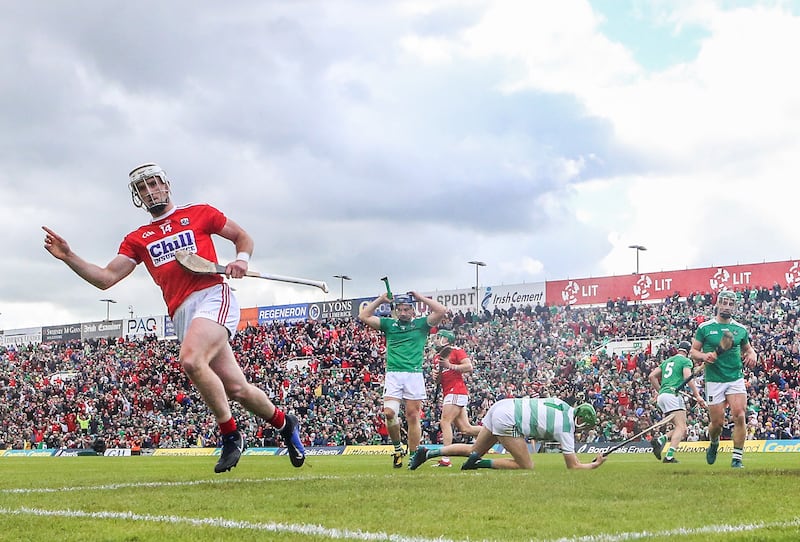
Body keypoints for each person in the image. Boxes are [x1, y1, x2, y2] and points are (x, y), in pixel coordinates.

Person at [42, 163, 305, 473]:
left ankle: (231, 435)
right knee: (237, 389)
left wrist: (241, 260)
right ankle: (286, 424)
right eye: (143, 188)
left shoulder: (199, 213)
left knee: (192, 361)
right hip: (181, 313)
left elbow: (241, 237)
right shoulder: (138, 238)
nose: (150, 191)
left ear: (166, 185)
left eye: (154, 183)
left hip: (212, 296)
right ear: (138, 197)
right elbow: (105, 278)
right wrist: (69, 257)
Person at [358, 291, 447, 468]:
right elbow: (364, 315)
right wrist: (382, 300)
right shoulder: (389, 324)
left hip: (413, 374)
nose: (403, 313)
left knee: (412, 416)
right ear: (396, 311)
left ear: (413, 311)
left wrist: (420, 298)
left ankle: (414, 455)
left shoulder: (421, 324)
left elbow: (442, 311)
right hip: (393, 374)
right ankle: (398, 448)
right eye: (400, 309)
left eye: (407, 309)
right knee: (389, 413)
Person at [408, 396, 606, 471]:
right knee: (526, 465)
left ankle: (427, 453)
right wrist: (594, 465)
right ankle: (479, 463)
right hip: (510, 419)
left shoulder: (563, 405)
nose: (583, 431)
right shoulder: (565, 427)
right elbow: (573, 466)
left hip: (503, 406)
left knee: (474, 449)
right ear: (580, 421)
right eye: (585, 427)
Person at [690, 290, 758, 468]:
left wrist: (753, 354)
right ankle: (714, 442)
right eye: (724, 303)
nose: (727, 306)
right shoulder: (705, 328)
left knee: (740, 415)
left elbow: (748, 349)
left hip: (735, 377)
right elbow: (693, 352)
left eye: (730, 303)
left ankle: (737, 458)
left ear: (734, 306)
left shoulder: (740, 329)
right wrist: (704, 356)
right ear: (718, 304)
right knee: (717, 423)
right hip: (714, 379)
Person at [648, 340, 707, 463]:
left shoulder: (667, 361)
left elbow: (652, 376)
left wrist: (661, 390)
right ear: (688, 351)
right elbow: (687, 377)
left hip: (663, 396)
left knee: (681, 428)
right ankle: (669, 456)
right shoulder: (686, 361)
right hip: (672, 395)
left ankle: (661, 440)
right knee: (682, 427)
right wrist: (697, 395)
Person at [429, 328, 481, 467]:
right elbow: (440, 378)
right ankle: (493, 432)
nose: (436, 339)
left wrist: (449, 365)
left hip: (456, 391)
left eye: (440, 336)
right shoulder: (436, 357)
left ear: (447, 339)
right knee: (466, 429)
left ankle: (445, 459)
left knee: (445, 422)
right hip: (449, 392)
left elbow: (469, 367)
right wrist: (436, 376)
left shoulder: (456, 350)